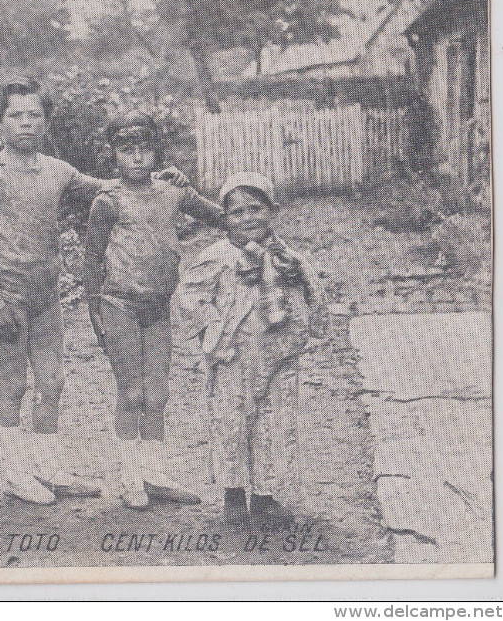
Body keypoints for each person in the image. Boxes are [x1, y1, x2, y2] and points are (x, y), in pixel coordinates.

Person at [0, 77, 113, 505]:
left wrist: (154, 177)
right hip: (9, 294)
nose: (26, 123)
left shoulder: (57, 170)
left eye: (35, 115)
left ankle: (48, 467)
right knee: (12, 384)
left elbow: (105, 187)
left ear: (46, 122)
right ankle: (13, 471)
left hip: (47, 293)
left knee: (53, 381)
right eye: (15, 115)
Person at [82, 111, 225, 510]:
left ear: (157, 152)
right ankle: (131, 480)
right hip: (119, 304)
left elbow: (219, 216)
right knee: (131, 393)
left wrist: (249, 218)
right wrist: (96, 316)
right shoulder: (107, 202)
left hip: (160, 306)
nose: (138, 158)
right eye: (128, 150)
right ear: (113, 155)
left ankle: (155, 475)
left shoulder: (173, 192)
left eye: (146, 149)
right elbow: (91, 260)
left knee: (158, 394)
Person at [178, 171, 326, 529]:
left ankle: (263, 495)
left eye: (256, 209)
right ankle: (233, 494)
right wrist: (214, 333)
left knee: (273, 423)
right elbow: (189, 297)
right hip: (235, 354)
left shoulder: (287, 257)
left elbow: (313, 293)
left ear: (272, 210)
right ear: (225, 218)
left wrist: (301, 289)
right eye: (238, 212)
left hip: (278, 352)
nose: (248, 219)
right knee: (232, 421)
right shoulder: (216, 257)